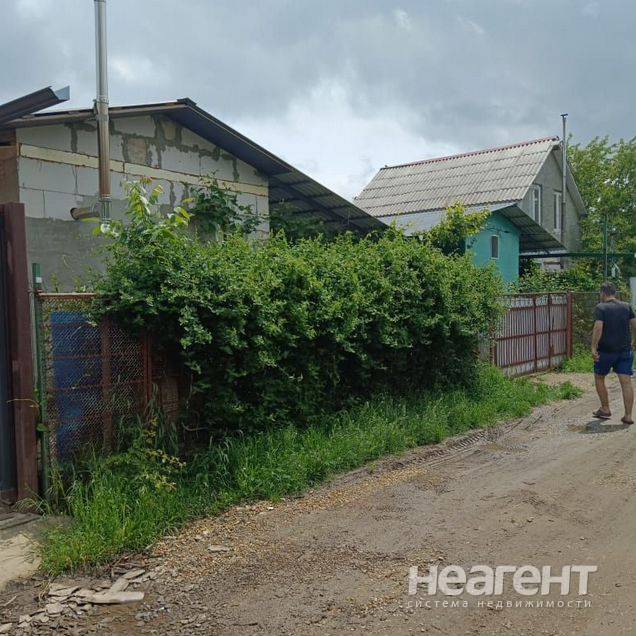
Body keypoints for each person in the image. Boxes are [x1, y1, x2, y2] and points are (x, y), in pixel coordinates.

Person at [591, 281, 636, 424]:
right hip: (625, 351)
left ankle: (605, 409)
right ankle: (628, 416)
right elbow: (634, 324)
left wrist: (593, 347)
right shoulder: (627, 306)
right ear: (614, 293)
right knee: (626, 382)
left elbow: (598, 328)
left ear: (602, 293)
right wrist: (634, 341)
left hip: (605, 351)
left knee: (599, 377)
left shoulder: (601, 307)